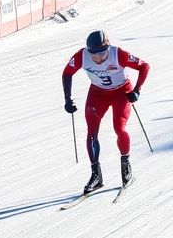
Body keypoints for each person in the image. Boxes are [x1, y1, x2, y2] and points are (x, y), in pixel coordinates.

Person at [63, 30, 150, 194]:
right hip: (98, 93)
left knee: (119, 128)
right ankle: (96, 174)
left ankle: (126, 165)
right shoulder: (82, 56)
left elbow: (144, 66)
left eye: (103, 53)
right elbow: (67, 73)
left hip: (121, 92)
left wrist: (137, 90)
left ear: (108, 49)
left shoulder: (118, 54)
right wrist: (67, 98)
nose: (99, 58)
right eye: (94, 54)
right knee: (91, 133)